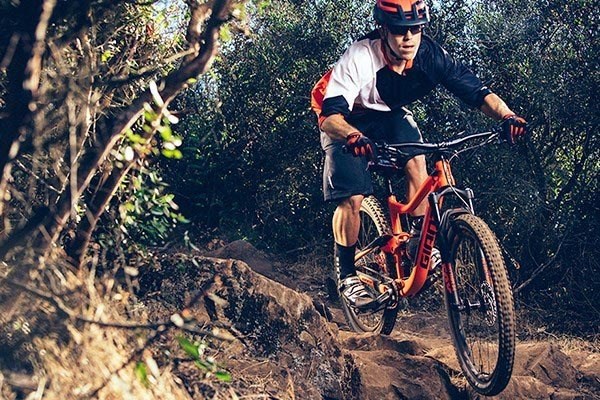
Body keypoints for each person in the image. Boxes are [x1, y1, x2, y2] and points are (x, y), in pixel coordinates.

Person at [310, 0, 527, 308]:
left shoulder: (431, 56)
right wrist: (353, 136)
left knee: (418, 159)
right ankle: (347, 275)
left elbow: (477, 92)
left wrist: (508, 117)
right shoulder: (360, 56)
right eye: (400, 31)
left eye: (415, 29)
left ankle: (415, 241)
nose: (409, 38)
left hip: (387, 112)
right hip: (342, 117)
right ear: (384, 30)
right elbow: (331, 116)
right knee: (353, 197)